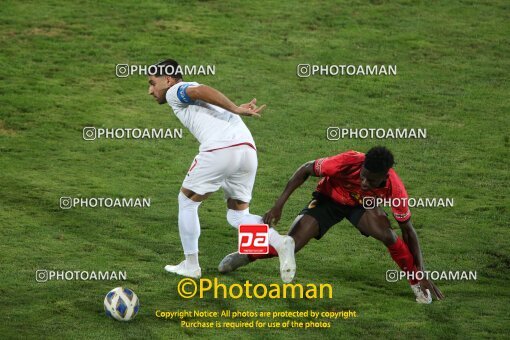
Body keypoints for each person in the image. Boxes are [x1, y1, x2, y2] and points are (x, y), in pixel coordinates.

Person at [219, 146, 444, 303]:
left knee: (389, 236)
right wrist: (279, 204)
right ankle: (246, 255)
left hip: (361, 206)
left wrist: (422, 272)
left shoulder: (395, 188)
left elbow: (408, 231)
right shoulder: (348, 161)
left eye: (371, 181)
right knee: (292, 244)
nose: (364, 182)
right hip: (329, 200)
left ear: (384, 176)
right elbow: (306, 168)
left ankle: (416, 283)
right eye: (363, 176)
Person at [148, 59, 295, 281]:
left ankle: (191, 265)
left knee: (186, 201)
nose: (150, 90)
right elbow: (201, 92)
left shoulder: (174, 90)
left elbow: (199, 91)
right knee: (238, 215)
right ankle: (278, 241)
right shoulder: (184, 92)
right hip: (247, 151)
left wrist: (235, 108)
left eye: (152, 83)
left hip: (221, 149)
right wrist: (234, 109)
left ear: (167, 79)